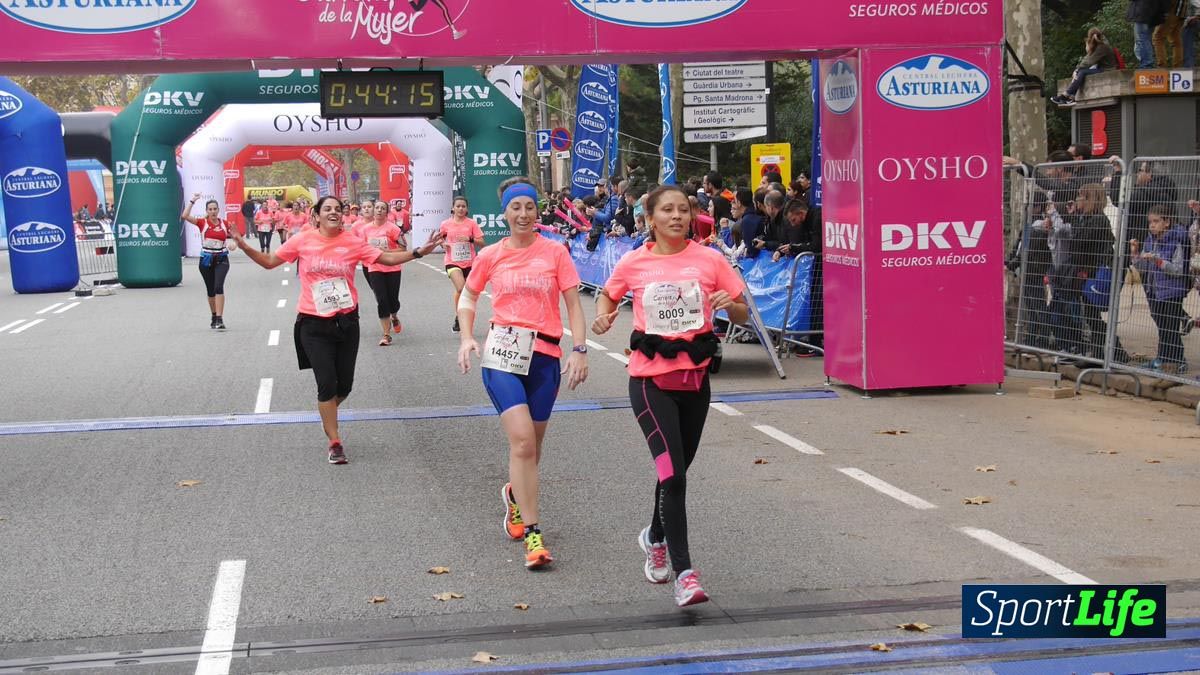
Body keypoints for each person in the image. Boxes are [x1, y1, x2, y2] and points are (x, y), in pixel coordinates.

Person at [592, 185, 748, 607]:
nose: (677, 216)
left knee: (674, 473)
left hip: (695, 383)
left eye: (684, 209)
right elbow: (609, 293)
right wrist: (603, 317)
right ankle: (686, 575)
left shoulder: (710, 259)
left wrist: (726, 304)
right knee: (674, 476)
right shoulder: (634, 261)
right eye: (668, 210)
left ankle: (654, 536)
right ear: (651, 217)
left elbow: (741, 309)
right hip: (649, 383)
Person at [231, 196, 443, 464]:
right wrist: (243, 245)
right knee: (326, 384)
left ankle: (327, 413)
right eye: (327, 209)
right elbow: (270, 261)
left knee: (345, 386)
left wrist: (418, 252)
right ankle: (335, 441)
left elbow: (386, 258)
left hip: (346, 322)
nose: (334, 213)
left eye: (338, 209)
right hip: (313, 323)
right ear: (316, 215)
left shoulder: (352, 242)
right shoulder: (303, 240)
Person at [456, 177, 589, 571]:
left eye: (529, 206)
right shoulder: (491, 255)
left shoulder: (555, 253)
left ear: (537, 210)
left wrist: (579, 350)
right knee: (523, 444)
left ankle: (515, 496)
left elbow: (574, 306)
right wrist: (466, 337)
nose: (523, 214)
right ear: (505, 212)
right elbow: (469, 295)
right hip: (502, 356)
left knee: (534, 447)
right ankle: (533, 534)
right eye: (516, 207)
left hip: (545, 357)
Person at [1130, 204, 1191, 373]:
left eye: (1156, 221)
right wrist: (1135, 255)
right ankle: (1163, 357)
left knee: (1170, 326)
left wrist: (1158, 261)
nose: (1152, 225)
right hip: (1154, 289)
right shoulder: (1150, 240)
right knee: (1161, 325)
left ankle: (1177, 360)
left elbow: (1178, 269)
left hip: (1171, 291)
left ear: (1167, 222)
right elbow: (1143, 266)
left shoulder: (1176, 240)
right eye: (1150, 222)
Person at [181, 193, 236, 330]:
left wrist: (234, 243)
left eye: (215, 209)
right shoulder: (202, 223)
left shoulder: (225, 223)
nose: (213, 211)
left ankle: (219, 318)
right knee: (211, 290)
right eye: (210, 209)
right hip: (206, 260)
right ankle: (213, 315)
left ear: (218, 210)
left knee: (218, 286)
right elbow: (185, 216)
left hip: (222, 258)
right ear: (207, 211)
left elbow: (236, 236)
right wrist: (192, 201)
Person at [359, 200, 408, 345]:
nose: (379, 210)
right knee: (381, 300)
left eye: (382, 208)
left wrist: (387, 251)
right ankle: (386, 335)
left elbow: (403, 248)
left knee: (392, 300)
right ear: (373, 211)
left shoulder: (393, 229)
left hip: (393, 268)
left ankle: (394, 316)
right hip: (374, 268)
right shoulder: (365, 230)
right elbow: (360, 247)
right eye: (377, 208)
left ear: (387, 212)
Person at [439, 196, 486, 332]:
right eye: (458, 206)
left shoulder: (471, 223)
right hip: (452, 261)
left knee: (468, 291)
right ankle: (461, 316)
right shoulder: (445, 224)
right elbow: (439, 240)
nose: (460, 208)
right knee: (461, 288)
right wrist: (444, 244)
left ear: (467, 209)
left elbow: (482, 242)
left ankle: (458, 316)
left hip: (469, 262)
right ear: (453, 208)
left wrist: (470, 239)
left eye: (463, 206)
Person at [1052, 29, 1119, 106]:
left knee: (1082, 72)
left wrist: (1076, 70)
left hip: (1108, 70)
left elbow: (1088, 62)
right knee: (1081, 71)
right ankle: (1070, 97)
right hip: (1103, 69)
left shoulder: (1102, 47)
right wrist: (1077, 70)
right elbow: (1087, 59)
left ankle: (1067, 95)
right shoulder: (1101, 45)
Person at [1127, 0, 1167, 68]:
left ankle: (1147, 64)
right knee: (1147, 39)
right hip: (1154, 12)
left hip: (1142, 11)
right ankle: (1148, 63)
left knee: (1142, 39)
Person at [1155, 0, 1187, 67]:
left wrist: (1164, 10)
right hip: (1181, 11)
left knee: (1158, 37)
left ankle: (1162, 67)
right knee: (1176, 40)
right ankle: (1178, 67)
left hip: (1172, 9)